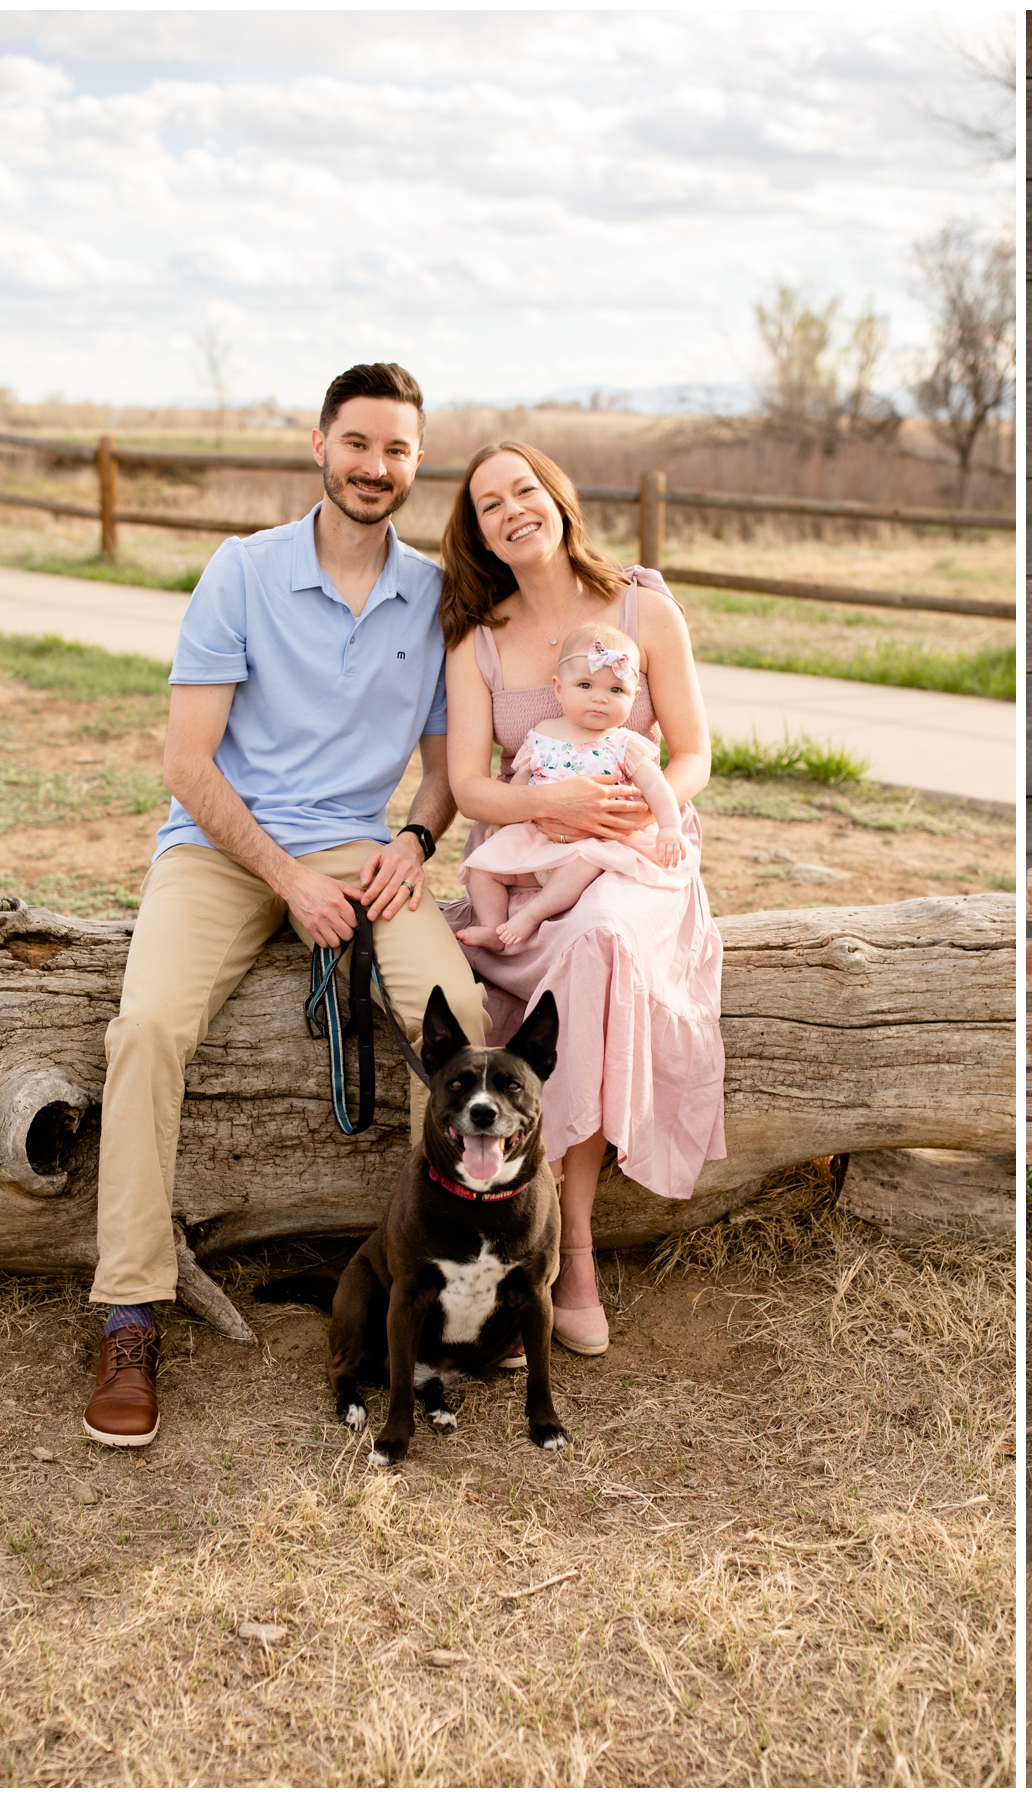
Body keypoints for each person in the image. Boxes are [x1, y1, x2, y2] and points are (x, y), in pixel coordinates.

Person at [85, 361, 488, 1449]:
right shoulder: (243, 572)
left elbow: (445, 769)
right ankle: (130, 1309)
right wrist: (288, 879)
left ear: (416, 462)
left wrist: (413, 838)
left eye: (397, 449)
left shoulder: (430, 596)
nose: (376, 466)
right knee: (148, 1029)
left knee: (463, 1029)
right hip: (222, 846)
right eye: (358, 443)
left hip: (364, 850)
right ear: (320, 446)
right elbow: (186, 760)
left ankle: (442, 1288)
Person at [440, 441, 727, 1357]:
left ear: (557, 496)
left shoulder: (644, 606)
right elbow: (468, 787)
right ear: (478, 532)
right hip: (525, 860)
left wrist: (629, 817)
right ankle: (522, 1246)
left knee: (597, 945)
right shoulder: (477, 636)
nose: (512, 509)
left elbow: (692, 754)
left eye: (525, 488)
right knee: (519, 965)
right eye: (490, 505)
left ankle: (572, 1250)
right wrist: (548, 805)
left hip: (632, 863)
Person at [457, 621, 691, 952]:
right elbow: (522, 783)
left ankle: (531, 917)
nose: (599, 699)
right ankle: (492, 928)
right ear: (558, 687)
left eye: (615, 690)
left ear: (634, 696)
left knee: (584, 862)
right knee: (482, 867)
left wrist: (669, 827)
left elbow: (657, 788)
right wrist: (502, 818)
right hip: (537, 837)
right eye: (585, 685)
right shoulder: (541, 735)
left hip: (593, 842)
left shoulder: (624, 743)